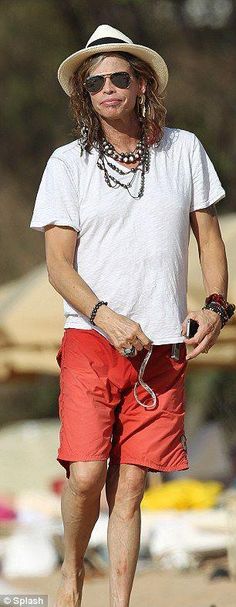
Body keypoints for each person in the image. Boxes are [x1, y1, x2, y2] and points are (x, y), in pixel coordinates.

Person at [30, 24, 235, 607]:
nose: (109, 89)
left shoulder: (185, 149)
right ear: (84, 97)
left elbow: (210, 240)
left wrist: (217, 306)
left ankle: (119, 603)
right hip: (92, 340)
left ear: (143, 84)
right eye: (96, 83)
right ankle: (72, 573)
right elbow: (58, 265)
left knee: (133, 486)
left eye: (120, 77)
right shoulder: (66, 164)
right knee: (88, 474)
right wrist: (105, 316)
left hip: (164, 346)